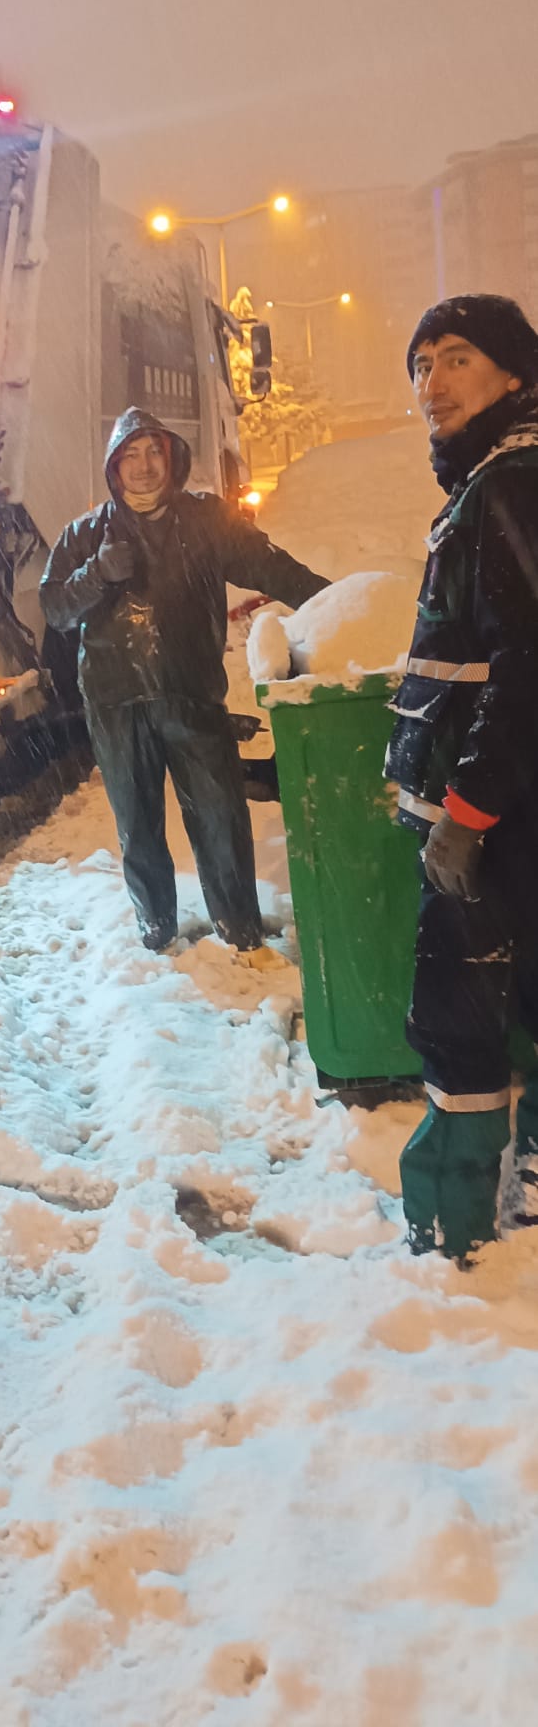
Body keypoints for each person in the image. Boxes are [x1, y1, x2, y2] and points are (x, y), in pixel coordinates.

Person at [40, 405, 327, 953]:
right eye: (132, 455)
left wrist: (333, 602)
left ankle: (239, 926)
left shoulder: (205, 520)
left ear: (171, 457)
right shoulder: (84, 534)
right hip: (116, 704)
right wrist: (96, 573)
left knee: (221, 818)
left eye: (155, 452)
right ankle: (156, 929)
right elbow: (55, 607)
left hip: (192, 696)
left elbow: (273, 567)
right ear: (114, 466)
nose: (145, 466)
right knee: (139, 828)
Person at [385, 294, 538, 1261]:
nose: (430, 383)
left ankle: (462, 1214)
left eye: (455, 360)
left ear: (513, 376)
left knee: (460, 1002)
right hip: (502, 809)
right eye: (422, 364)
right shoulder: (492, 480)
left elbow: (527, 662)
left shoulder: (514, 484)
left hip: (500, 816)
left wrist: (467, 812)